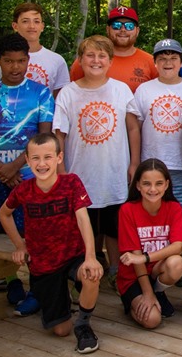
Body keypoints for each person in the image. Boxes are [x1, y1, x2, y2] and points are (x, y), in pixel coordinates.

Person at [0, 33, 56, 315]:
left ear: (28, 61)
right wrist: (1, 169)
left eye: (21, 61)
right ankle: (10, 280)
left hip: (31, 175)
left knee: (33, 233)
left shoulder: (41, 93)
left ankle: (38, 287)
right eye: (9, 61)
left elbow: (45, 135)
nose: (15, 67)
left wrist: (15, 167)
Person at [0, 133, 102, 354]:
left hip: (74, 254)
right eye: (35, 158)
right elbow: (4, 214)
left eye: (48, 157)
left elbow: (83, 219)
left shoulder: (71, 182)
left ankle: (83, 325)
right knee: (61, 330)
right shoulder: (24, 190)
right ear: (27, 160)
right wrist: (20, 245)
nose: (42, 163)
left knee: (91, 274)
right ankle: (57, 302)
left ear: (58, 157)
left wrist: (91, 256)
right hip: (44, 264)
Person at [54, 35, 140, 287]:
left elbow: (133, 128)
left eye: (102, 56)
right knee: (83, 228)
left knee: (114, 226)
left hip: (114, 172)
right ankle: (82, 275)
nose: (96, 60)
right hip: (80, 175)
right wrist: (62, 173)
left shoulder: (120, 89)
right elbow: (60, 134)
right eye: (90, 55)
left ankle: (116, 269)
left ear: (110, 61)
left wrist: (134, 163)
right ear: (80, 60)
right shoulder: (69, 93)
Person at [116, 160, 182, 329]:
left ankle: (158, 292)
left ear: (167, 185)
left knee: (176, 262)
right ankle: (138, 299)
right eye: (147, 184)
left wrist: (145, 258)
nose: (153, 189)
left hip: (156, 270)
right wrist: (146, 294)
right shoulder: (128, 210)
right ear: (138, 185)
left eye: (159, 184)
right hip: (133, 277)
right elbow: (134, 258)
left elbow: (177, 246)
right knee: (152, 320)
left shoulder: (174, 208)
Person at [128, 39, 182, 206]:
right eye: (162, 59)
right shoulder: (144, 90)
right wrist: (135, 161)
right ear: (155, 63)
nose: (168, 63)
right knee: (155, 210)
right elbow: (135, 128)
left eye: (173, 58)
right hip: (151, 164)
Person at [0, 2, 70, 94]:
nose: (31, 26)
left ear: (42, 26)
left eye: (36, 21)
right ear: (15, 26)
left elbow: (60, 99)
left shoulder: (57, 60)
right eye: (25, 21)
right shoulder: (2, 57)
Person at [70, 7, 158, 93]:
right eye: (117, 25)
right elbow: (72, 94)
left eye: (129, 26)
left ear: (137, 31)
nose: (123, 30)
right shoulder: (88, 61)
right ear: (108, 29)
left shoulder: (152, 63)